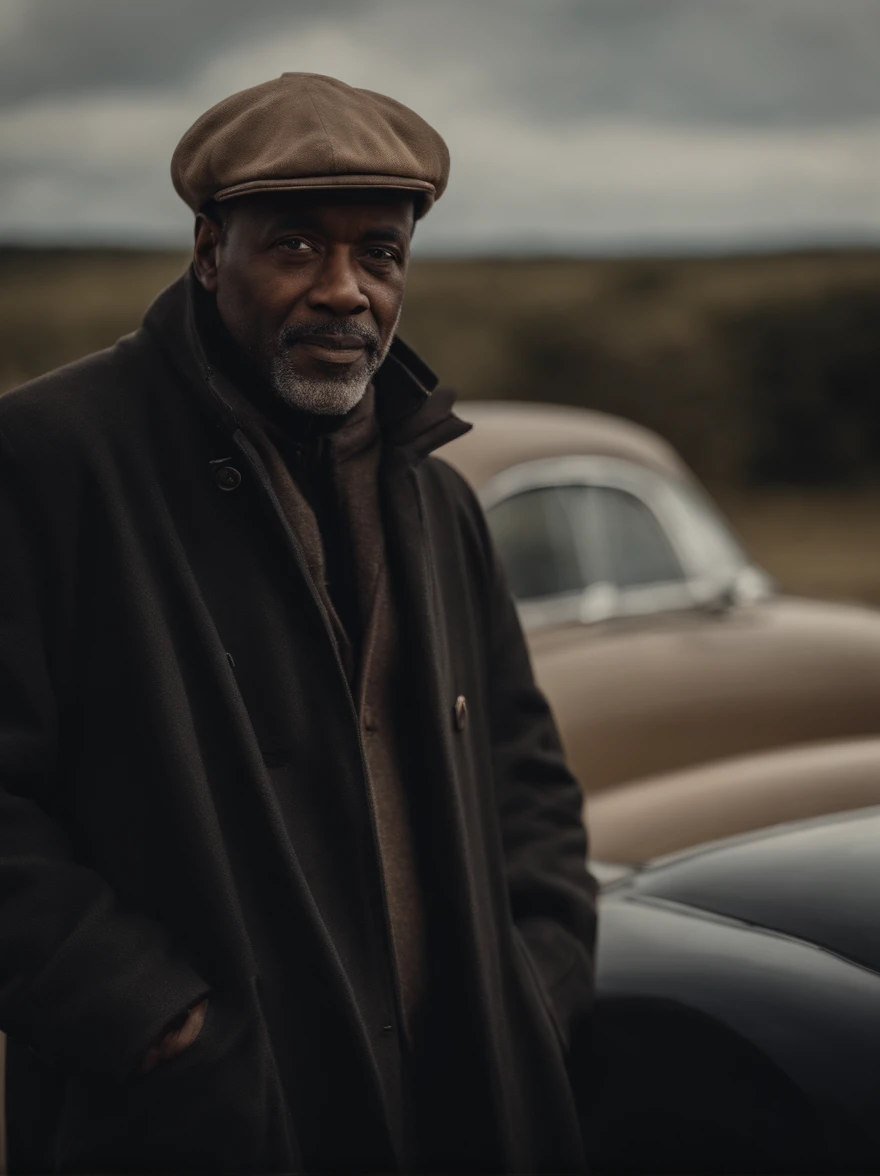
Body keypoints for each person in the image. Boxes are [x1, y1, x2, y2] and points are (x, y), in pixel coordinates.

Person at [0, 72, 597, 1174]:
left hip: (456, 1118)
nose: (344, 290)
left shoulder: (438, 501)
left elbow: (530, 786)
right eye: (294, 247)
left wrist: (532, 989)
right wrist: (153, 1026)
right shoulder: (49, 464)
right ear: (207, 249)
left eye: (378, 253)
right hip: (197, 1130)